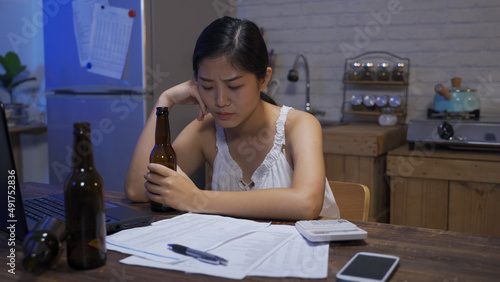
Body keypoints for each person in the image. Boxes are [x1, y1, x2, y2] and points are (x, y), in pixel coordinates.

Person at [125, 16, 339, 220]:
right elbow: (137, 190)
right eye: (207, 86)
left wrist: (197, 199)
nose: (220, 101)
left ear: (263, 79)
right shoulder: (206, 130)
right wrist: (165, 100)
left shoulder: (299, 125)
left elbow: (306, 203)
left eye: (234, 86)